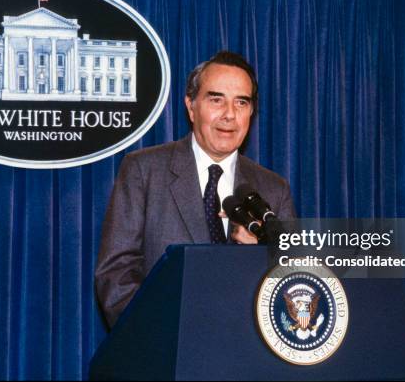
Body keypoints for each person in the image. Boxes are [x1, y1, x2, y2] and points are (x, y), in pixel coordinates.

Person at [95, 51, 296, 327]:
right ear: (191, 106)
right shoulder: (143, 170)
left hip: (246, 358)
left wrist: (260, 259)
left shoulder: (274, 190)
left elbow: (293, 282)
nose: (229, 115)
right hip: (164, 354)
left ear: (251, 112)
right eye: (216, 100)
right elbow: (115, 275)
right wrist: (166, 337)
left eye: (241, 102)